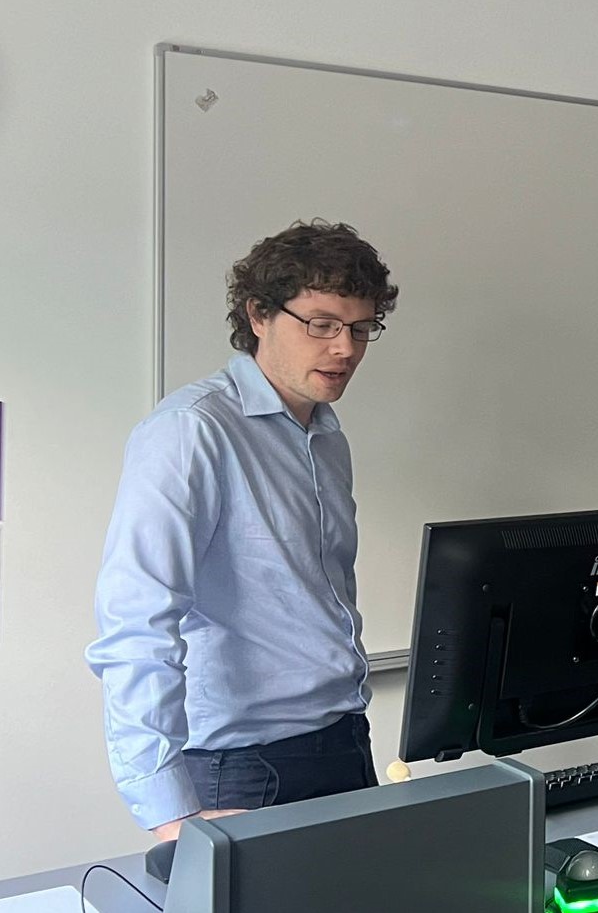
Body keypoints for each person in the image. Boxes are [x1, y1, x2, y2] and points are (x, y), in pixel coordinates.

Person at [86, 220, 398, 841]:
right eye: (323, 324)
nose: (346, 349)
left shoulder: (326, 436)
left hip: (342, 738)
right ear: (259, 315)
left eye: (362, 328)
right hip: (245, 768)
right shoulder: (192, 431)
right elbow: (135, 618)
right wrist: (168, 809)